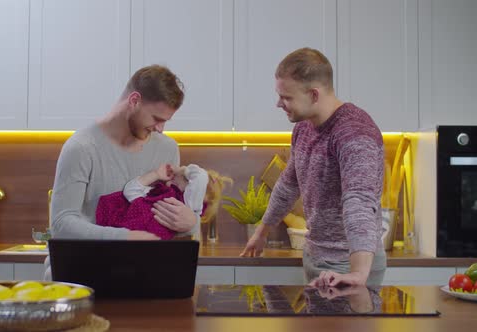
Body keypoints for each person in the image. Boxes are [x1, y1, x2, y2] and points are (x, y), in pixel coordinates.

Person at [240, 47, 386, 287]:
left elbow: (359, 201)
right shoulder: (303, 128)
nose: (279, 104)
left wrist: (358, 274)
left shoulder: (354, 132)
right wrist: (262, 232)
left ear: (314, 94)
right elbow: (288, 184)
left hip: (349, 263)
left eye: (287, 97)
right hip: (316, 256)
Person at [44, 65, 199, 280]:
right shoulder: (81, 147)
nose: (160, 129)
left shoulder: (168, 149)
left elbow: (163, 221)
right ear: (134, 100)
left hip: (141, 275)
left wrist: (191, 222)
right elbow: (62, 223)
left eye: (165, 121)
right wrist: (125, 237)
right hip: (80, 275)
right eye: (156, 118)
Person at [96, 163, 232, 240]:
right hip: (124, 235)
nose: (175, 175)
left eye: (183, 178)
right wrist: (155, 174)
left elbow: (200, 176)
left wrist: (183, 170)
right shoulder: (159, 192)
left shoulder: (189, 204)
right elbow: (130, 192)